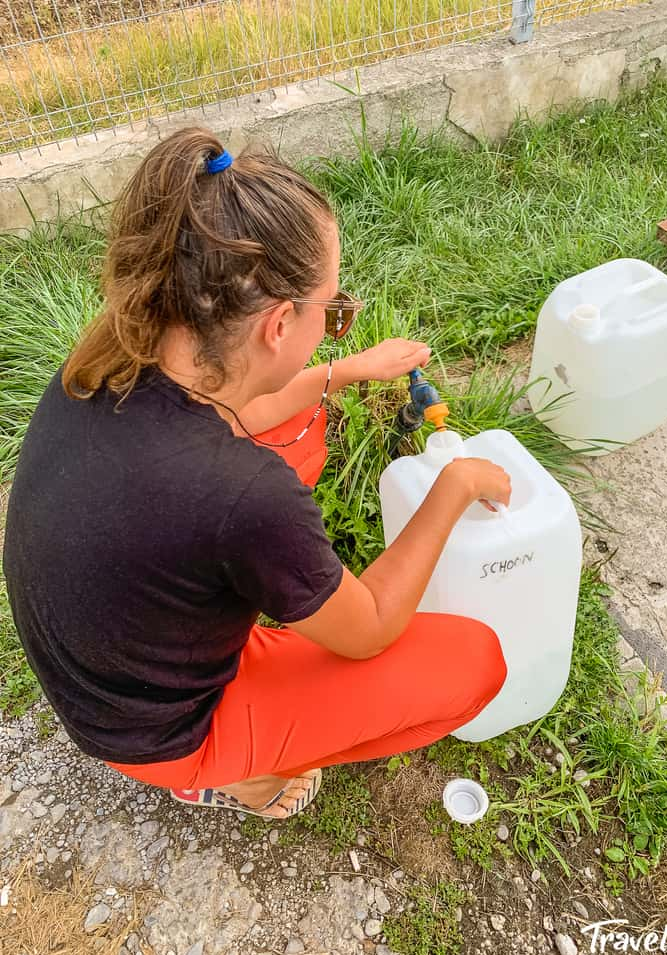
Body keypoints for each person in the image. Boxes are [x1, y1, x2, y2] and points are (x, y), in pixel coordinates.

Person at [3, 127, 511, 821]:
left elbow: (245, 403)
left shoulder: (112, 354)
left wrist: (343, 371)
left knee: (293, 434)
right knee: (474, 662)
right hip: (158, 731)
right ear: (278, 325)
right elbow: (369, 630)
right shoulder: (243, 494)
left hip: (95, 666)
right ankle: (242, 775)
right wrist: (454, 487)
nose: (335, 325)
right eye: (332, 314)